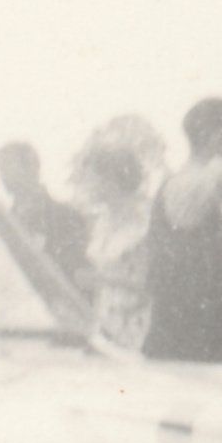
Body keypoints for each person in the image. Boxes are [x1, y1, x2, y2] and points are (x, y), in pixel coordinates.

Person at [145, 97, 222, 363]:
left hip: (200, 321)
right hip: (185, 327)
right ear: (216, 136)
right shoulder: (188, 184)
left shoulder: (194, 184)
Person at [70, 116, 164, 351]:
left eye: (90, 177)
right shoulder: (101, 221)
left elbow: (155, 284)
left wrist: (100, 279)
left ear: (111, 178)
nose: (84, 183)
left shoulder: (147, 221)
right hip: (105, 322)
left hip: (137, 325)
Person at [0, 141, 89, 286]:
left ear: (32, 168)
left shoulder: (67, 217)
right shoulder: (2, 222)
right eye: (1, 168)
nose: (3, 175)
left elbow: (76, 277)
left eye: (9, 166)